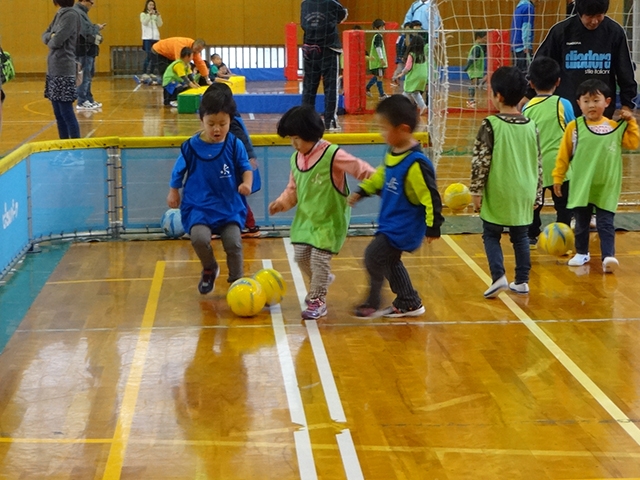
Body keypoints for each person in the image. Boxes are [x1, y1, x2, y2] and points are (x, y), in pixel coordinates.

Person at [269, 105, 375, 319]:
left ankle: (318, 299)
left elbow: (360, 168)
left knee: (319, 258)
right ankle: (322, 279)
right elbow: (293, 190)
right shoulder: (295, 159)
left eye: (297, 138)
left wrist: (379, 181)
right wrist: (281, 203)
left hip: (329, 220)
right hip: (306, 219)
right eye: (291, 139)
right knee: (300, 256)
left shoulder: (332, 154)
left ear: (310, 134)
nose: (293, 144)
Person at [349, 95, 443, 318]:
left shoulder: (416, 164)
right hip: (391, 221)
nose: (381, 133)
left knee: (373, 256)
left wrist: (433, 226)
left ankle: (373, 301)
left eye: (384, 128)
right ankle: (409, 301)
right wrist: (363, 190)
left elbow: (431, 197)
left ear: (403, 129)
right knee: (388, 260)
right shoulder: (393, 153)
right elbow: (382, 175)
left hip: (405, 226)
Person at [167, 86, 253, 294]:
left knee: (233, 243)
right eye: (211, 124)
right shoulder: (191, 147)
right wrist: (174, 191)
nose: (217, 129)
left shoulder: (234, 145)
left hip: (228, 205)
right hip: (199, 206)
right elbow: (178, 171)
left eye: (222, 124)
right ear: (202, 121)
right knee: (199, 238)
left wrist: (247, 184)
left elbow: (246, 168)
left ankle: (236, 282)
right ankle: (209, 267)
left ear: (230, 121)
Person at [552, 79, 639, 272]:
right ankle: (582, 252)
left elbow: (633, 143)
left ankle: (608, 256)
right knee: (581, 222)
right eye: (586, 101)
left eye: (596, 100)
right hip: (582, 185)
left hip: (606, 186)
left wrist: (631, 122)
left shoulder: (614, 127)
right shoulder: (574, 128)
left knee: (605, 223)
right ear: (579, 103)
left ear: (607, 102)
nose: (591, 105)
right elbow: (563, 156)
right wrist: (558, 178)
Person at [470, 66, 543, 298]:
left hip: (500, 188)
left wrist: (476, 191)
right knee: (520, 236)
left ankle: (498, 276)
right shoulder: (532, 125)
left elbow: (480, 162)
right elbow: (539, 162)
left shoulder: (490, 124)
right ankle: (522, 281)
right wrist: (538, 193)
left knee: (491, 234)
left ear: (498, 96)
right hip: (525, 190)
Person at [532, 0, 637, 119]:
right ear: (579, 13)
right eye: (590, 16)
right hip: (566, 110)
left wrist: (627, 104)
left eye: (599, 16)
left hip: (601, 111)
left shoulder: (614, 32)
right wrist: (529, 94)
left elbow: (624, 71)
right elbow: (541, 66)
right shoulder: (562, 31)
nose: (594, 21)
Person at [522, 56, 576, 246]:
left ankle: (531, 233)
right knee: (564, 205)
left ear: (531, 83)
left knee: (535, 205)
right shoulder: (564, 104)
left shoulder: (527, 108)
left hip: (536, 166)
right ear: (558, 81)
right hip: (560, 166)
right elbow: (572, 130)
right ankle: (563, 235)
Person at [204, 82, 261, 238]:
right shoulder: (227, 117)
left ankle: (245, 226)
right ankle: (248, 226)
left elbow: (241, 137)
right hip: (228, 162)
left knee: (230, 195)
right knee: (233, 196)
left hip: (233, 163)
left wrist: (249, 156)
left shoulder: (231, 120)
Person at [300, 0, 348, 131]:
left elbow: (303, 25)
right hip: (329, 49)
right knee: (331, 87)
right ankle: (330, 121)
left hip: (310, 49)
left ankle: (305, 121)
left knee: (308, 88)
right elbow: (343, 15)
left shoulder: (304, 4)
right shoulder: (331, 3)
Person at [42, 0, 82, 140]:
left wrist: (51, 37)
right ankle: (64, 147)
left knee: (66, 112)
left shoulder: (71, 15)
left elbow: (56, 41)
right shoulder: (59, 13)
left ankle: (76, 150)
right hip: (53, 69)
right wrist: (50, 36)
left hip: (64, 69)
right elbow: (45, 35)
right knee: (58, 114)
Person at [74, 0, 106, 111]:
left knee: (88, 76)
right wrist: (96, 28)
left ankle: (88, 99)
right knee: (84, 76)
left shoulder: (82, 13)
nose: (92, 5)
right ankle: (82, 101)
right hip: (83, 50)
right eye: (91, 3)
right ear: (84, 1)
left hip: (88, 50)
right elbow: (86, 30)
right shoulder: (78, 13)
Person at [392, 34, 427, 115]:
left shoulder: (411, 54)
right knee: (411, 92)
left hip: (414, 77)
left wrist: (401, 74)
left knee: (412, 92)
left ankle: (422, 106)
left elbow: (408, 67)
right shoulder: (423, 55)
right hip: (423, 76)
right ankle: (403, 107)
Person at [365, 19, 389, 100]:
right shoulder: (377, 36)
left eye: (384, 27)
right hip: (377, 62)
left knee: (378, 76)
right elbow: (378, 48)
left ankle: (367, 88)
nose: (384, 29)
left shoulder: (378, 36)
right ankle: (381, 94)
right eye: (382, 28)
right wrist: (381, 59)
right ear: (376, 28)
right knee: (379, 77)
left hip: (376, 62)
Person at [464, 31, 487, 108]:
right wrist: (467, 67)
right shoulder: (476, 47)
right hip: (475, 69)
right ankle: (471, 101)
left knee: (475, 84)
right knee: (473, 84)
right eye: (485, 38)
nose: (486, 40)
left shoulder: (479, 47)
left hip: (477, 69)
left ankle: (472, 100)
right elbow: (473, 58)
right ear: (478, 38)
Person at [511, 0, 535, 73]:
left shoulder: (518, 8)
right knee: (525, 74)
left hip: (515, 45)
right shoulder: (528, 8)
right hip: (523, 46)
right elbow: (526, 27)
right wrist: (526, 45)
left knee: (517, 73)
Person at [140, 0, 163, 76]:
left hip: (156, 38)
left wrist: (158, 16)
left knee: (155, 56)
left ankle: (152, 72)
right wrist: (149, 15)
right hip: (147, 38)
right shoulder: (143, 14)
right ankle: (144, 72)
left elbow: (160, 24)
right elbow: (144, 23)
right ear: (147, 5)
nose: (151, 6)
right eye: (150, 5)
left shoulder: (155, 15)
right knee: (149, 55)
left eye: (152, 5)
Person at [391, 22, 412, 89]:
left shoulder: (411, 38)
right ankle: (394, 79)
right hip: (401, 56)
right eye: (407, 28)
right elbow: (397, 46)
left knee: (407, 69)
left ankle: (406, 81)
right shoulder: (401, 37)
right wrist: (399, 55)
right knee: (399, 68)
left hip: (407, 57)